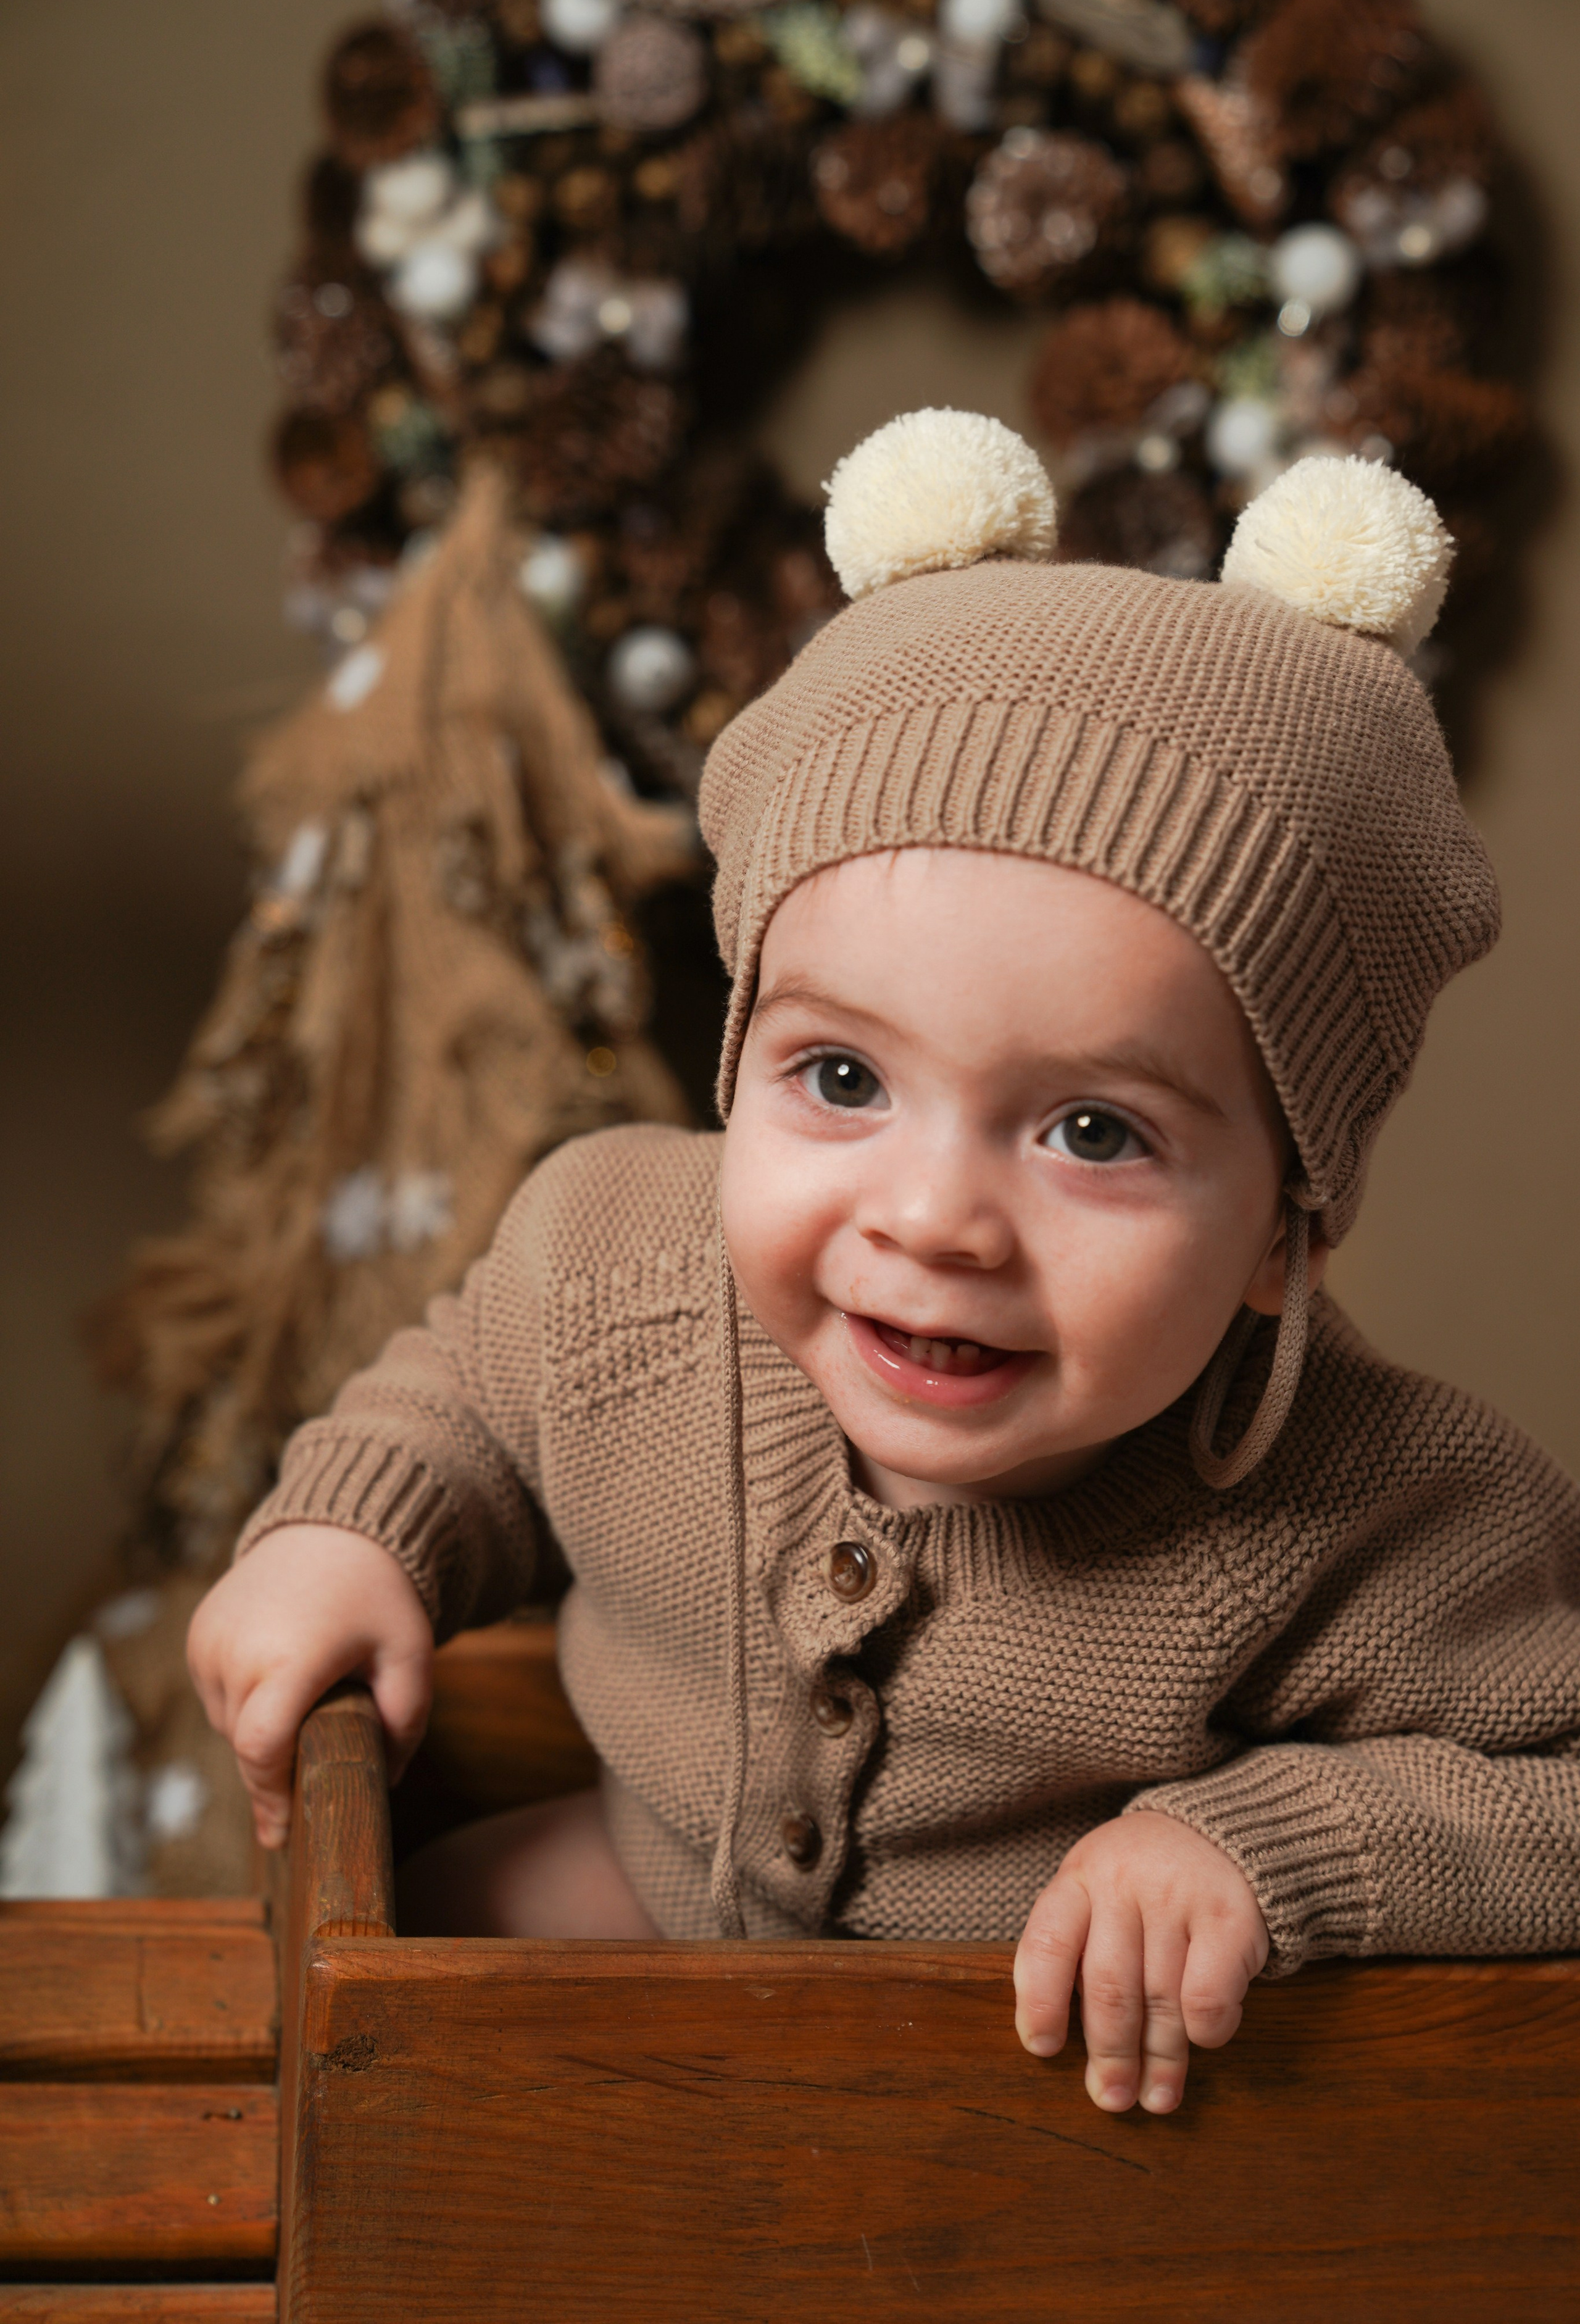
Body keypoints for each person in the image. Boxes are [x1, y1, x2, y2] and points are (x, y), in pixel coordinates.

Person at [189, 410, 1580, 2118]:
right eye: (841, 1081)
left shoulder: (1379, 1507)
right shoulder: (620, 1263)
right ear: (740, 1060)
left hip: (1028, 2084)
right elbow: (472, 1390)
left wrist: (1263, 1849)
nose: (932, 1220)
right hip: (651, 1890)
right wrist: (358, 1524)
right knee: (379, 2040)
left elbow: (1562, 1784)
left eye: (1093, 1134)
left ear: (1286, 1228)